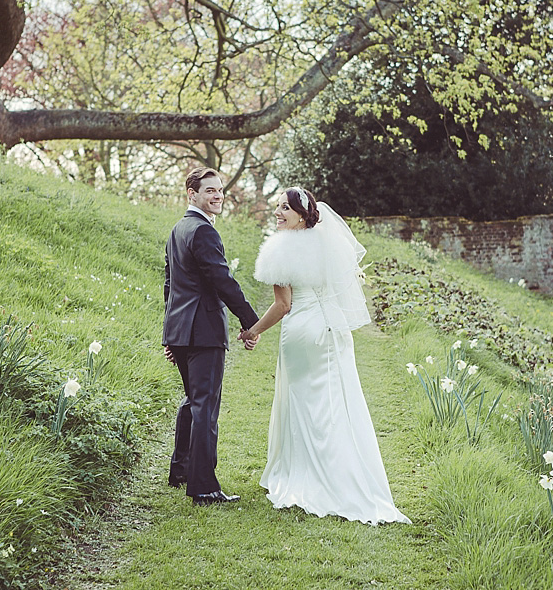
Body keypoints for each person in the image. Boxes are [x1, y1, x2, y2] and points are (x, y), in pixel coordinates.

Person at [238, 187, 410, 525]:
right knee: (336, 405)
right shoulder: (327, 241)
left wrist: (253, 330)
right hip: (335, 333)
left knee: (304, 405)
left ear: (301, 214)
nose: (277, 213)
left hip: (303, 332)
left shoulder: (280, 248)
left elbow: (283, 305)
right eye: (277, 207)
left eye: (284, 208)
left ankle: (310, 475)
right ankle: (345, 475)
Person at [163, 167, 261, 506]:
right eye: (210, 191)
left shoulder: (178, 229)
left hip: (181, 330)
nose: (217, 195)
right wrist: (251, 321)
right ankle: (203, 487)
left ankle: (182, 470)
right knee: (206, 406)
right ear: (192, 194)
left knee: (192, 400)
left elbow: (170, 286)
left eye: (220, 190)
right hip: (203, 332)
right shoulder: (202, 231)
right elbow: (223, 281)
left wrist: (170, 335)